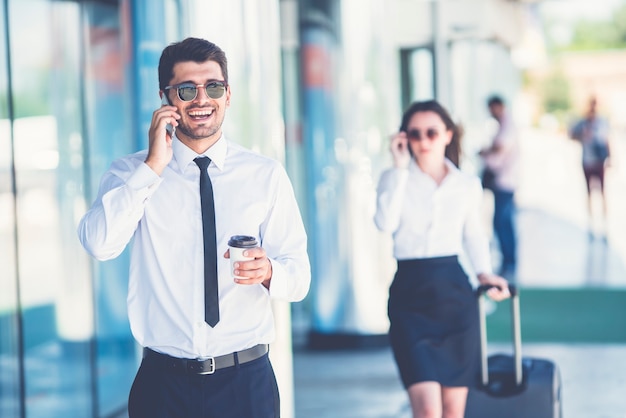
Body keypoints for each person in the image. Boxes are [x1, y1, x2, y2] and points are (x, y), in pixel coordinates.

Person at [77, 37, 311, 418]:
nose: (202, 100)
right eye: (187, 90)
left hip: (245, 383)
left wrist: (270, 272)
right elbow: (99, 244)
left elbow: (299, 278)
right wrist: (152, 167)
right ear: (165, 98)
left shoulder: (265, 175)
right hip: (162, 385)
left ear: (228, 95)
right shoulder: (129, 174)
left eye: (213, 87)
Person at [374, 100, 510, 418]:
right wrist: (398, 168)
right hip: (410, 298)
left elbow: (473, 235)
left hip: (455, 299)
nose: (423, 141)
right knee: (427, 411)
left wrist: (484, 274)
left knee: (453, 412)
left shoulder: (465, 185)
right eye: (415, 133)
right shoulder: (394, 178)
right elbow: (384, 224)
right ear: (404, 137)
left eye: (432, 133)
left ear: (448, 135)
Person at [479, 95, 520, 279]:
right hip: (503, 181)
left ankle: (509, 262)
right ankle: (509, 261)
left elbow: (500, 147)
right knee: (503, 221)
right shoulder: (504, 125)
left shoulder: (508, 125)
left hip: (506, 181)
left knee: (502, 222)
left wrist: (484, 151)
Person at [569, 96, 611, 238]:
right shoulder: (582, 123)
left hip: (599, 162)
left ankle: (604, 224)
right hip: (587, 162)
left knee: (602, 193)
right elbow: (571, 135)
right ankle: (591, 223)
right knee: (589, 194)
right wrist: (582, 135)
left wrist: (610, 158)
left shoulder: (602, 122)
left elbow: (606, 141)